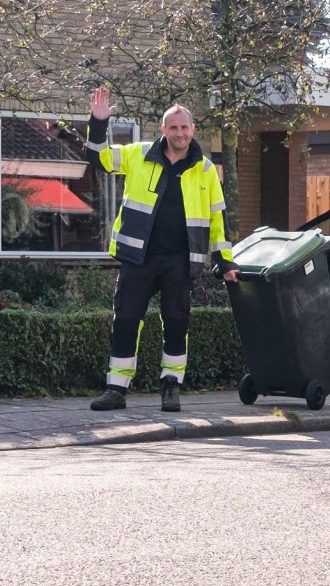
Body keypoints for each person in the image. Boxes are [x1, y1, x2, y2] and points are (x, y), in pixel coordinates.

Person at [86, 88, 237, 412]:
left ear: (192, 129)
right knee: (126, 320)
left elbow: (217, 218)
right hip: (138, 256)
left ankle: (171, 386)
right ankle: (116, 389)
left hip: (180, 259)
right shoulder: (139, 154)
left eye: (184, 127)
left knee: (176, 323)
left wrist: (224, 261)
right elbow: (100, 158)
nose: (179, 133)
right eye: (173, 128)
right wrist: (98, 123)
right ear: (163, 130)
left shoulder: (206, 170)